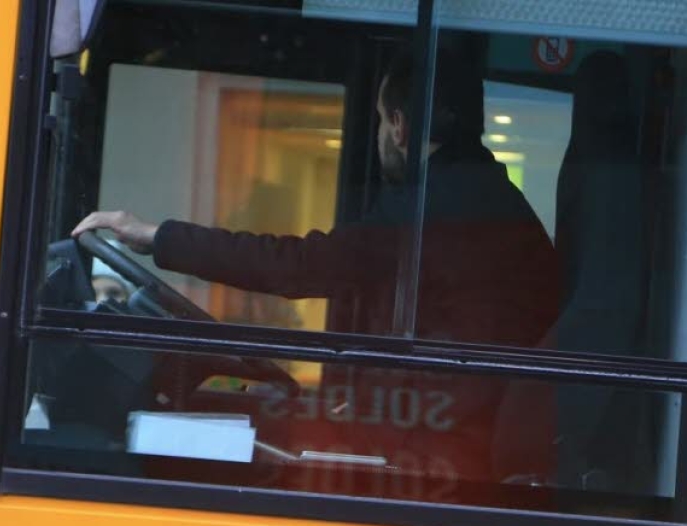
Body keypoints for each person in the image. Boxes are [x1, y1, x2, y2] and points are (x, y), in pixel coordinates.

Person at [72, 43, 561, 492]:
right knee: (256, 421)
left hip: (446, 449)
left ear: (398, 124)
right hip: (447, 425)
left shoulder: (441, 202)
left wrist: (158, 237)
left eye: (376, 121)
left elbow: (300, 267)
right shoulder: (478, 193)